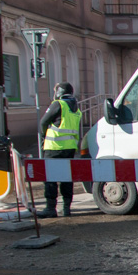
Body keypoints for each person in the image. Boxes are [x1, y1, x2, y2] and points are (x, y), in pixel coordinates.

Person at [37, 82, 82, 218]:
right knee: (66, 178)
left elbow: (43, 122)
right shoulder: (75, 107)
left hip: (54, 147)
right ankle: (66, 208)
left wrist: (45, 135)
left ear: (59, 92)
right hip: (69, 148)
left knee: (50, 178)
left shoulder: (58, 104)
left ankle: (51, 208)